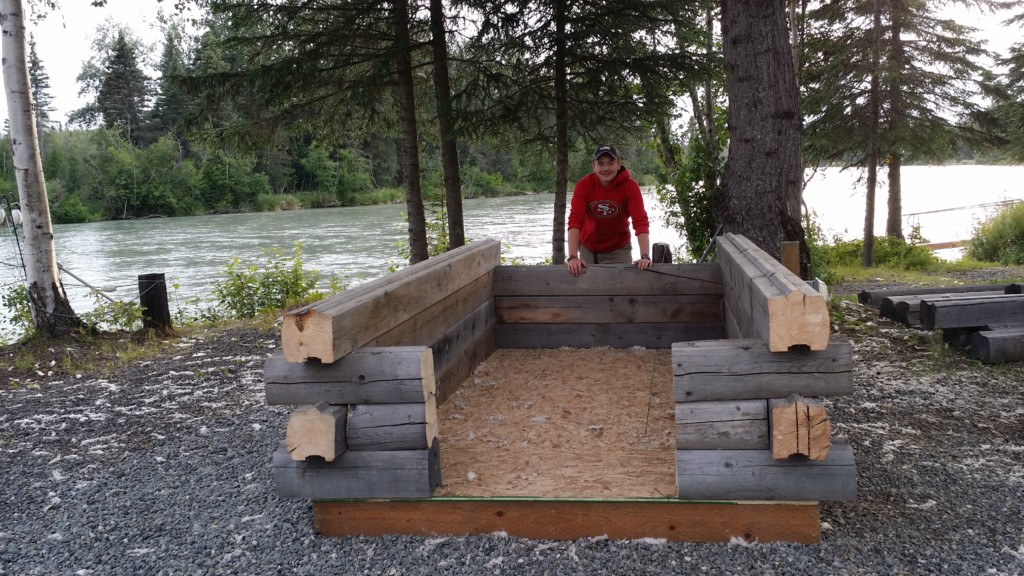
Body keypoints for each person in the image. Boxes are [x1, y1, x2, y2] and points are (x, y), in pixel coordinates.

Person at [565, 144, 651, 277]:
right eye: (600, 164)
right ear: (593, 166)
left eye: (610, 163)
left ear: (618, 164)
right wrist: (573, 257)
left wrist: (645, 256)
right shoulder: (583, 186)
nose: (605, 168)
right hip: (588, 248)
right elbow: (575, 221)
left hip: (618, 249)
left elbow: (640, 221)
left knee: (622, 285)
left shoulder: (630, 186)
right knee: (587, 285)